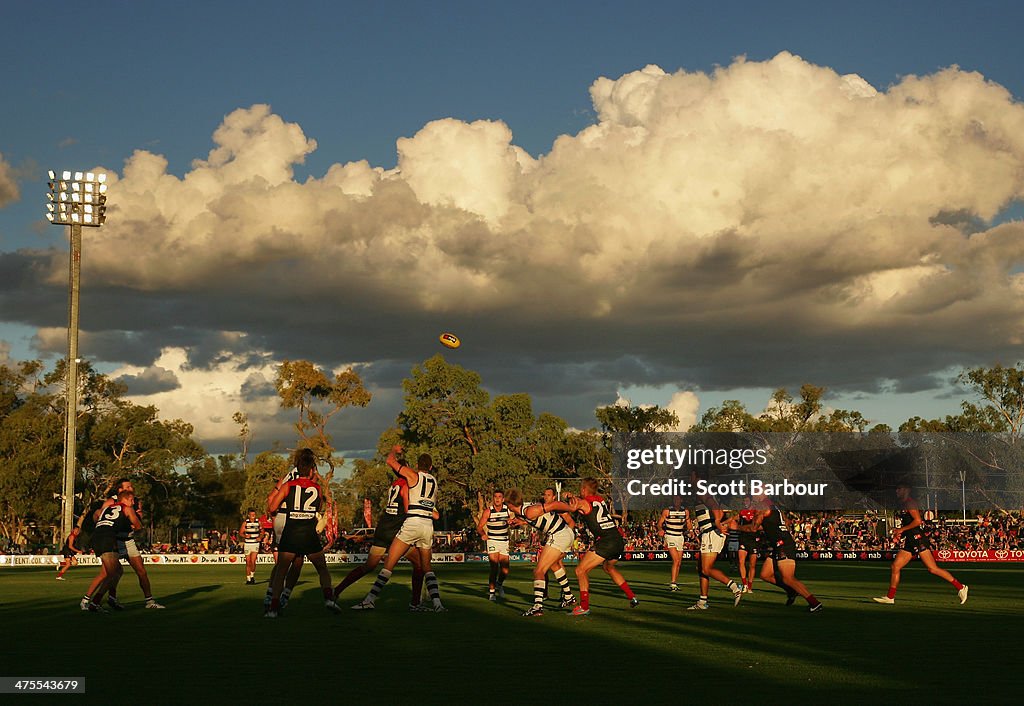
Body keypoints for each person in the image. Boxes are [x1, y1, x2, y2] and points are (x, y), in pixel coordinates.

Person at [352, 444, 445, 612]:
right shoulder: (434, 482)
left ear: (417, 465)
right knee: (427, 568)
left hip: (412, 523)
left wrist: (394, 450)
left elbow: (390, 461)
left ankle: (370, 599)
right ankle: (437, 604)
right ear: (431, 467)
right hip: (427, 526)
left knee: (389, 564)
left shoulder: (412, 475)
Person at [332, 472, 431, 610]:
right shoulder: (406, 486)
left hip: (383, 529)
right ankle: (415, 603)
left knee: (369, 566)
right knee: (419, 564)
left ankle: (336, 591)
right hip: (395, 532)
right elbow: (408, 510)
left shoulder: (394, 486)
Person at [264, 448, 339, 618]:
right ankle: (328, 598)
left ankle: (273, 608)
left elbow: (272, 507)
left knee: (281, 570)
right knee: (322, 568)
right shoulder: (317, 488)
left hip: (291, 531)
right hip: (308, 533)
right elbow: (317, 508)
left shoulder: (288, 485)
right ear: (312, 470)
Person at [873, 481, 968, 606]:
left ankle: (961, 587)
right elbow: (909, 523)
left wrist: (902, 530)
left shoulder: (910, 503)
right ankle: (890, 597)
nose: (897, 491)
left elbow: (918, 521)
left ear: (906, 489)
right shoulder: (904, 504)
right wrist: (900, 533)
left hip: (917, 539)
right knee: (895, 567)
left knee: (932, 569)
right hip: (911, 540)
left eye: (899, 488)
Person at [81, 479, 165, 610]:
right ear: (120, 490)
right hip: (114, 539)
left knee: (140, 571)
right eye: (128, 486)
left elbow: (139, 519)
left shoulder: (134, 500)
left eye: (131, 486)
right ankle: (88, 600)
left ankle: (149, 601)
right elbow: (98, 514)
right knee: (109, 573)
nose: (131, 488)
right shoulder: (111, 501)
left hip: (128, 539)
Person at [564, 478, 638, 616]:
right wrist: (572, 496)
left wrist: (566, 499)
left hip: (606, 541)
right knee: (608, 567)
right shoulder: (600, 500)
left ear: (584, 490)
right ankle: (631, 596)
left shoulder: (584, 502)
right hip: (617, 540)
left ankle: (584, 606)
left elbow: (574, 507)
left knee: (580, 570)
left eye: (581, 489)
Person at [505, 487, 577, 616]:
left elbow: (554, 504)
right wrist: (519, 522)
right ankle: (568, 596)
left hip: (559, 534)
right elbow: (538, 519)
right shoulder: (524, 512)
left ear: (510, 504)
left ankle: (537, 607)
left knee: (539, 571)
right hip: (565, 533)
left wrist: (571, 508)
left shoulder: (529, 511)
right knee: (554, 565)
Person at [752, 492, 823, 612]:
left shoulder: (762, 505)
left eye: (754, 493)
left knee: (788, 578)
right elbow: (781, 523)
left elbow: (753, 528)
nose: (753, 496)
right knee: (765, 574)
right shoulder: (772, 505)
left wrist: (735, 527)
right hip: (779, 544)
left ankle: (814, 603)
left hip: (782, 544)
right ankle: (791, 591)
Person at [687, 476, 743, 610]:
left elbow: (715, 507)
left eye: (691, 477)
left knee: (706, 568)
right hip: (708, 533)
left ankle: (735, 587)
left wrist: (718, 523)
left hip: (711, 532)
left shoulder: (702, 491)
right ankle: (702, 602)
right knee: (701, 568)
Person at [81, 489, 142, 612]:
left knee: (118, 570)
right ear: (124, 500)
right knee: (111, 573)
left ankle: (111, 598)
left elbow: (99, 519)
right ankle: (95, 603)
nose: (132, 503)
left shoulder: (107, 508)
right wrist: (132, 527)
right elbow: (139, 526)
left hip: (97, 537)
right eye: (131, 500)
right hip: (108, 539)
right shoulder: (127, 508)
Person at [477, 490, 512, 601]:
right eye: (495, 497)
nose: (497, 499)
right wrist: (483, 534)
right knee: (494, 567)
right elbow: (479, 527)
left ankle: (499, 584)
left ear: (503, 499)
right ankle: (492, 593)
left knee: (505, 570)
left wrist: (513, 522)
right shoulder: (488, 511)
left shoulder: (508, 510)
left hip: (504, 541)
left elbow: (516, 523)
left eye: (499, 497)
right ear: (493, 498)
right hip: (492, 541)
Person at [656, 496, 688, 591]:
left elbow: (688, 523)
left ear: (681, 500)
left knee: (679, 563)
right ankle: (673, 583)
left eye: (678, 499)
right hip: (670, 536)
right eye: (674, 500)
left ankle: (675, 583)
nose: (676, 501)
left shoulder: (685, 511)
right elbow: (659, 523)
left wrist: (690, 530)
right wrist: (660, 529)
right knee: (676, 560)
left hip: (680, 537)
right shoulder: (667, 511)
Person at [736, 501, 763, 594]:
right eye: (744, 501)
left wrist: (752, 527)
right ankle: (744, 584)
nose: (745, 503)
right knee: (741, 562)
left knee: (752, 565)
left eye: (747, 501)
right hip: (743, 539)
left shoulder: (757, 512)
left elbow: (761, 526)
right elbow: (734, 520)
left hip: (754, 540)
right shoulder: (741, 512)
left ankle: (750, 586)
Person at [240, 509, 263, 585]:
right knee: (248, 562)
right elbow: (241, 533)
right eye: (251, 514)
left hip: (255, 544)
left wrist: (260, 537)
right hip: (247, 544)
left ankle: (252, 576)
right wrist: (245, 535)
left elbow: (262, 531)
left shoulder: (258, 522)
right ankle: (248, 579)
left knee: (253, 562)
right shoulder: (245, 523)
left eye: (254, 514)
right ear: (249, 515)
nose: (253, 516)